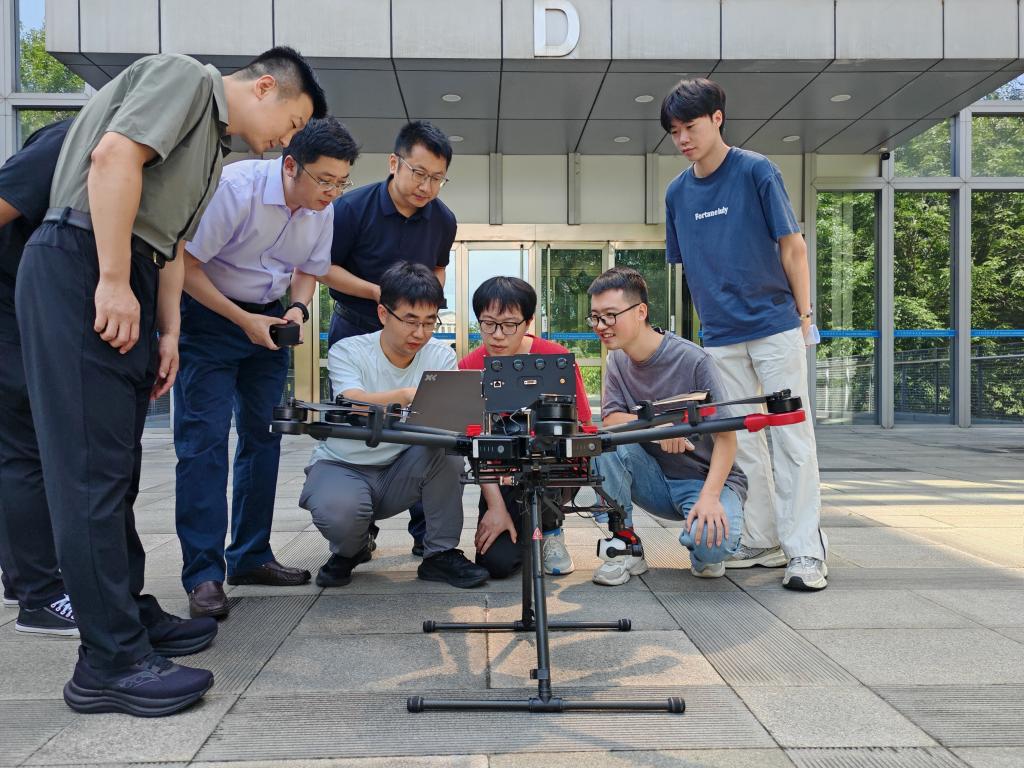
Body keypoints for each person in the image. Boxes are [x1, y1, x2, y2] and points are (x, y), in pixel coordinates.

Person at [15, 46, 326, 717]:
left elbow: (171, 244)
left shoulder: (213, 142)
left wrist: (170, 332)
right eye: (293, 122)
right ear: (265, 87)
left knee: (118, 472)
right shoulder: (186, 78)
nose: (288, 139)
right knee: (89, 476)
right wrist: (111, 279)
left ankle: (127, 615)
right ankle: (108, 662)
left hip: (132, 265)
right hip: (83, 259)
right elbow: (113, 159)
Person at [174, 117, 359, 620]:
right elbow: (186, 266)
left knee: (264, 438)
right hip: (208, 318)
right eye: (324, 180)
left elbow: (308, 270)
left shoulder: (322, 210)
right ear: (291, 165)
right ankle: (203, 574)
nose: (332, 192)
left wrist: (296, 309)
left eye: (341, 182)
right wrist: (242, 321)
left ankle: (250, 555)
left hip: (271, 320)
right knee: (204, 443)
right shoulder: (236, 190)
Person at [661, 78, 827, 591]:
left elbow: (793, 246)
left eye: (690, 126)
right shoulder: (676, 193)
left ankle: (805, 552)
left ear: (717, 118)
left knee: (791, 439)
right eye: (674, 131)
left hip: (774, 326)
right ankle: (761, 538)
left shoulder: (756, 170)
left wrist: (804, 316)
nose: (682, 138)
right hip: (720, 337)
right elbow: (688, 267)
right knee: (740, 440)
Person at [299, 262, 488, 590]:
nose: (420, 333)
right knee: (340, 512)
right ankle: (351, 550)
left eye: (429, 322)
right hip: (344, 464)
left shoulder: (440, 356)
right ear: (383, 314)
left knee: (448, 451)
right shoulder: (349, 350)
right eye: (410, 321)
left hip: (402, 469)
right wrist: (407, 395)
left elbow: (450, 417)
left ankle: (440, 554)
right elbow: (353, 401)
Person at [319, 121, 457, 557]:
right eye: (419, 173)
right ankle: (360, 522)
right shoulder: (350, 208)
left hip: (411, 327)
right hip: (358, 322)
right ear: (394, 163)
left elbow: (437, 269)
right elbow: (323, 267)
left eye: (437, 178)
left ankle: (428, 535)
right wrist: (380, 295)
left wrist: (422, 309)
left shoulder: (443, 219)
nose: (427, 187)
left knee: (429, 425)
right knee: (361, 420)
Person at [587, 267, 748, 587]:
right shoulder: (617, 360)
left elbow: (726, 438)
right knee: (602, 443)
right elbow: (612, 420)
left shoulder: (694, 360)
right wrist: (661, 429)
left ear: (641, 311)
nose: (601, 326)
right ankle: (626, 545)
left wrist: (710, 497)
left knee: (712, 548)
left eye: (610, 316)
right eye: (595, 317)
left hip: (703, 480)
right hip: (654, 478)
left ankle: (703, 549)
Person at [457, 276, 592, 578]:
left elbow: (582, 424)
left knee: (551, 447)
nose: (497, 335)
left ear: (528, 322)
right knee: (497, 564)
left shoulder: (555, 358)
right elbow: (473, 445)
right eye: (488, 324)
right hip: (500, 473)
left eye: (509, 325)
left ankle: (551, 529)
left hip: (554, 470)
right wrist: (495, 507)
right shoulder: (469, 366)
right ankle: (525, 525)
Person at [0, 120, 77, 637]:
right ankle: (40, 597)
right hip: (10, 307)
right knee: (23, 448)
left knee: (26, 450)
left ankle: (23, 577)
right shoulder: (70, 141)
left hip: (35, 307)